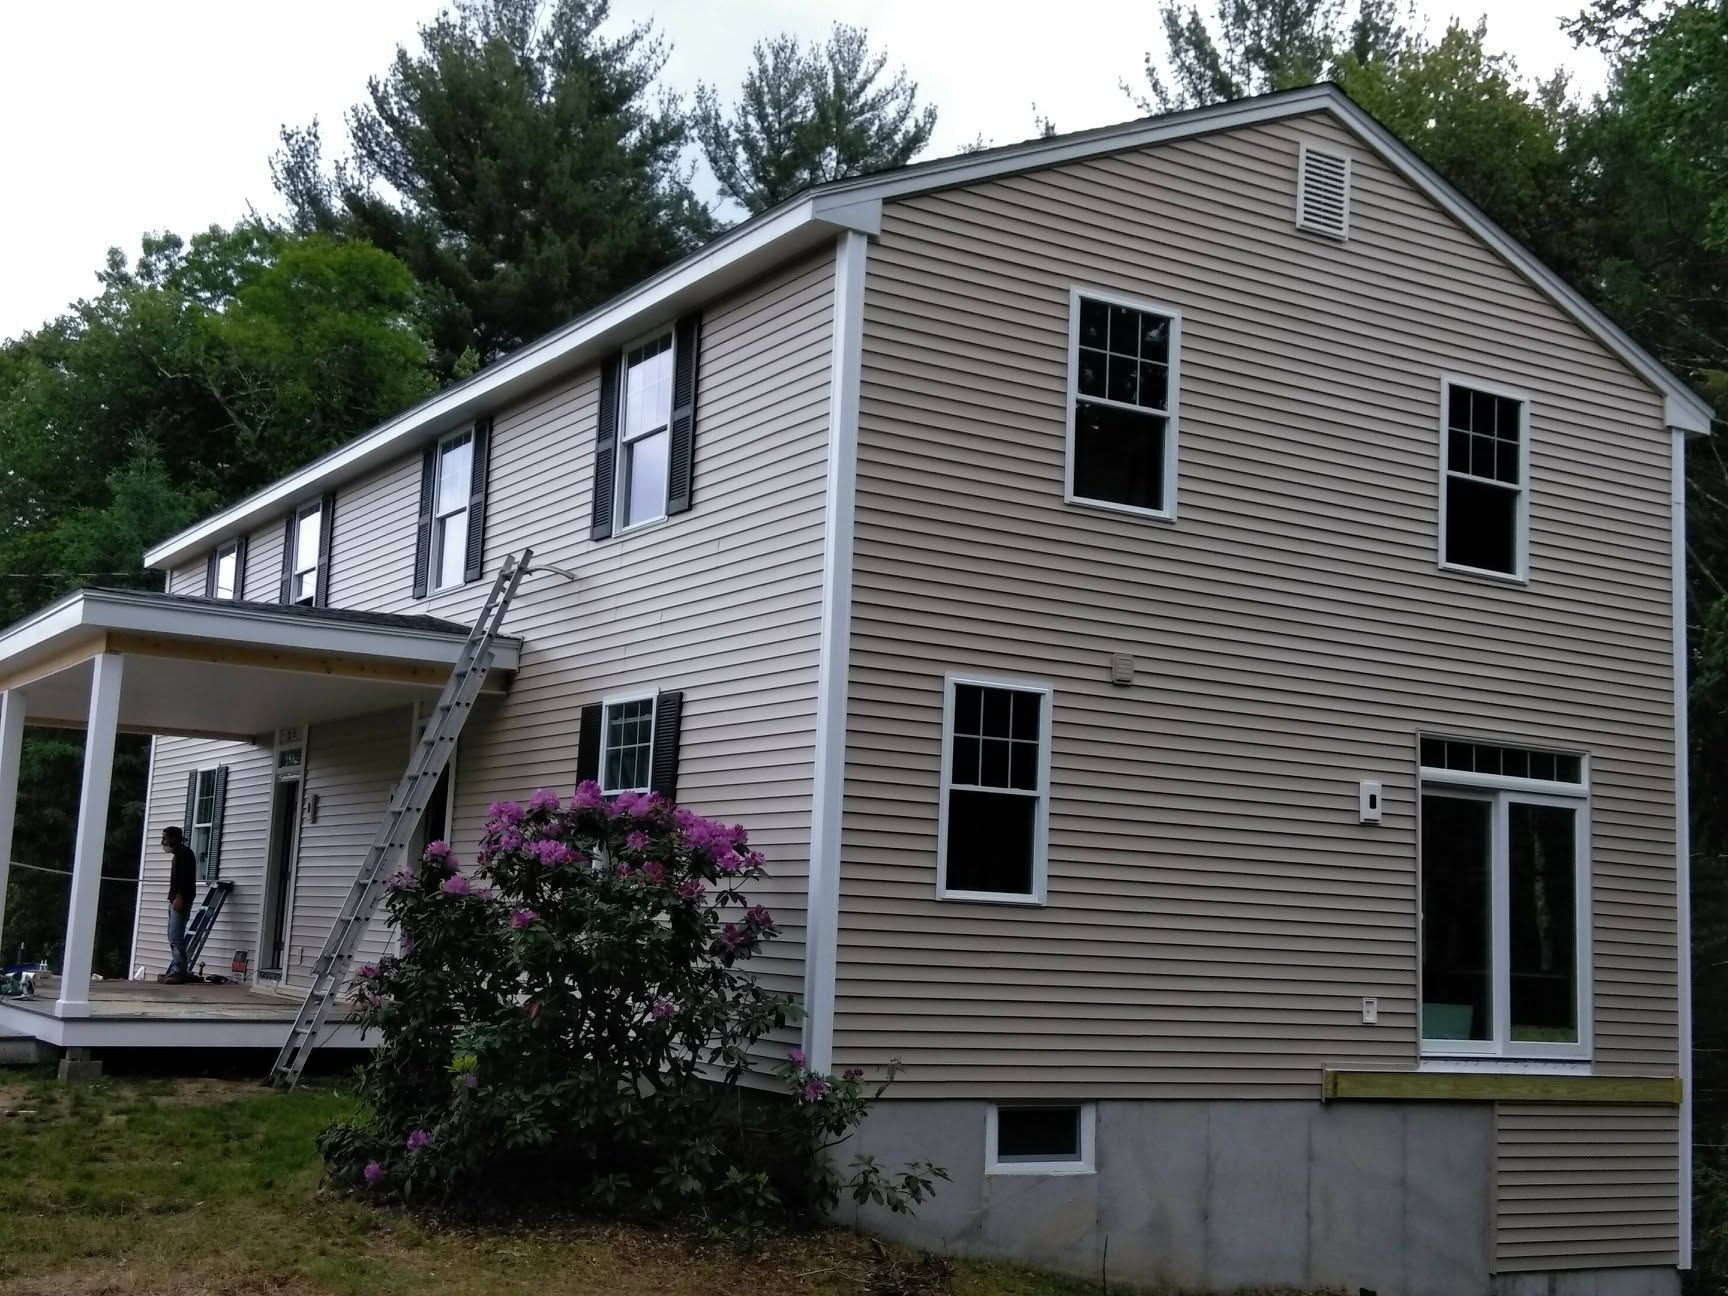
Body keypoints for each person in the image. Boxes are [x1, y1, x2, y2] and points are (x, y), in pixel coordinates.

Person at [159, 826, 199, 984]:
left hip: (181, 898)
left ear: (174, 838)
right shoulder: (178, 855)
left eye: (165, 838)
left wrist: (180, 897)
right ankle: (179, 968)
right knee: (172, 935)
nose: (163, 842)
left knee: (176, 936)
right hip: (175, 899)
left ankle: (180, 971)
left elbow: (186, 879)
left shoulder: (185, 854)